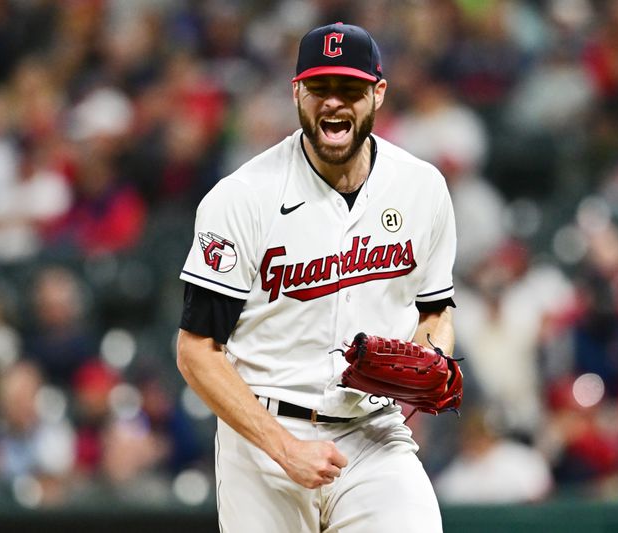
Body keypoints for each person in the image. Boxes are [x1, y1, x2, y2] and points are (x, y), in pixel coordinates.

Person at [176, 22, 458, 533]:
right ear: (296, 93)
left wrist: (431, 352)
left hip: (373, 431)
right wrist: (284, 448)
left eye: (349, 89)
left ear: (378, 93)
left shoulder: (422, 189)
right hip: (263, 437)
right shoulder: (241, 198)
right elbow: (197, 351)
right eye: (319, 88)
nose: (333, 103)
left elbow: (433, 309)